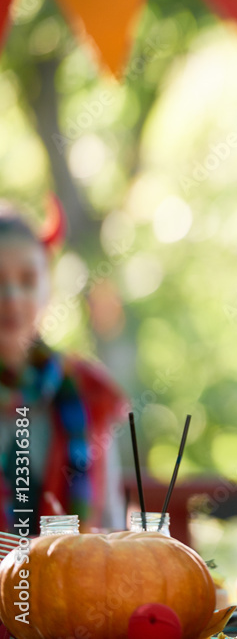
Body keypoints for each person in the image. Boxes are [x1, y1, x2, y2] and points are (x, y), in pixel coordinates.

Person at [0, 203, 128, 534]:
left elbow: (111, 524)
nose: (12, 297)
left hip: (71, 579)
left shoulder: (89, 392)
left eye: (27, 280)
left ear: (47, 290)